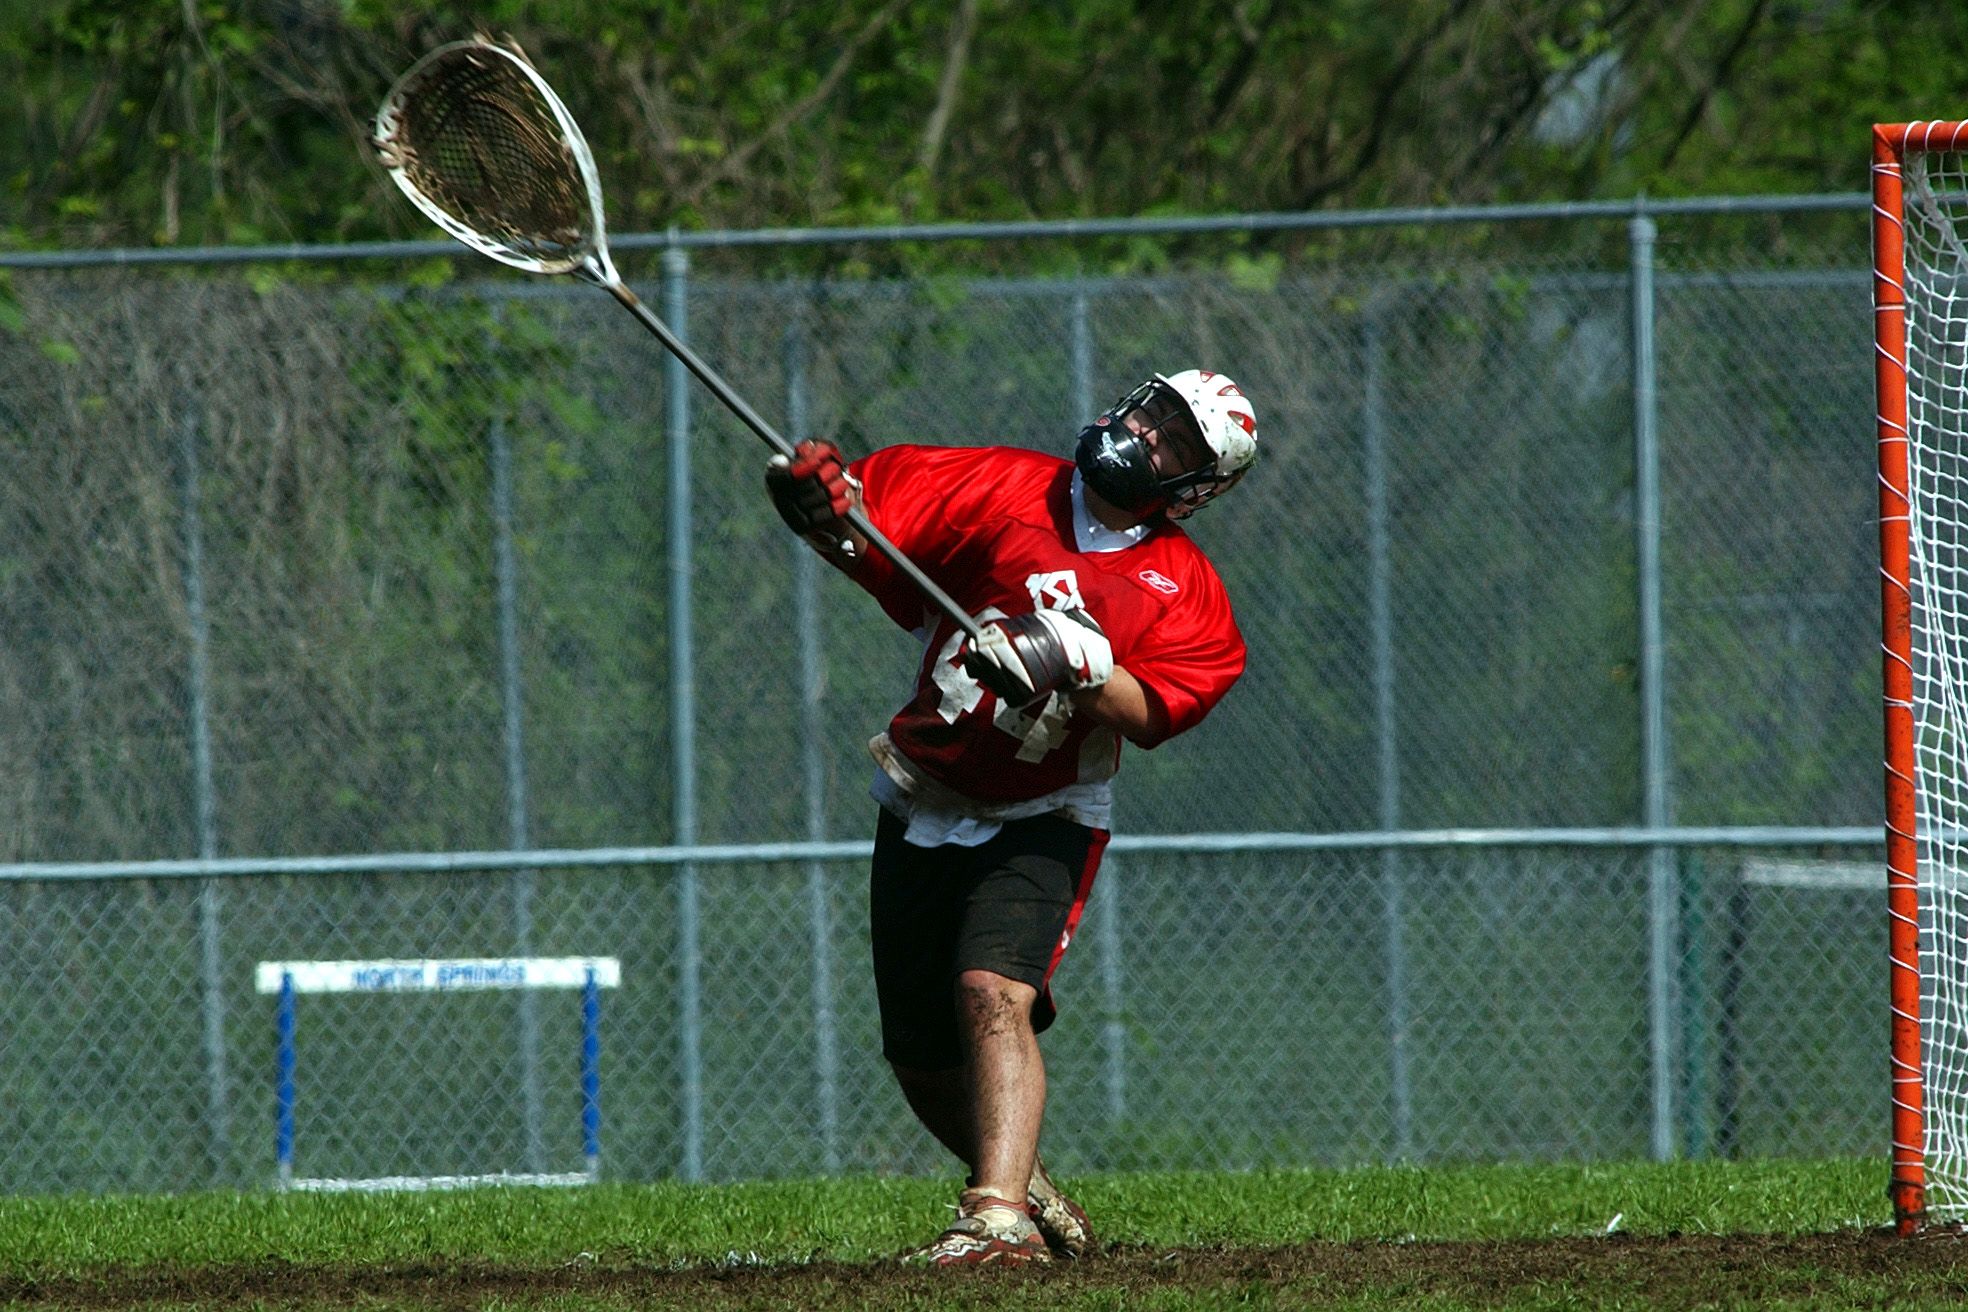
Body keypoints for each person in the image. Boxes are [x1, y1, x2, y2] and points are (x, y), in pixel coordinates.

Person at [764, 369, 1258, 1266]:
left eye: (1177, 443)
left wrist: (1073, 661)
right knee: (919, 1056)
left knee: (993, 992)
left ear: (1196, 487)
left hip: (1045, 808)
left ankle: (995, 1218)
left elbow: (1155, 712)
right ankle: (1022, 1182)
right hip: (924, 791)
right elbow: (871, 538)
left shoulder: (1181, 587)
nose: (1149, 437)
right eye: (1155, 415)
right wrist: (821, 513)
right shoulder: (999, 485)